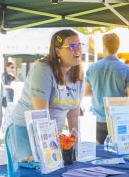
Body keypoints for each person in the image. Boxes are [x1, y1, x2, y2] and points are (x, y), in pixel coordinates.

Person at [10, 29, 83, 160]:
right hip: (25, 131)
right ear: (57, 51)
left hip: (51, 133)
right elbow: (41, 114)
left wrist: (76, 137)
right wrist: (49, 146)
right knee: (32, 173)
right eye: (72, 46)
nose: (77, 49)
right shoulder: (43, 70)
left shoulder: (77, 74)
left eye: (79, 45)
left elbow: (73, 112)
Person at [84, 33, 129, 144]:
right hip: (118, 119)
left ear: (104, 47)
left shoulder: (92, 68)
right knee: (118, 154)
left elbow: (85, 93)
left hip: (97, 119)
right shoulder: (126, 69)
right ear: (118, 46)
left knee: (99, 154)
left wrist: (98, 93)